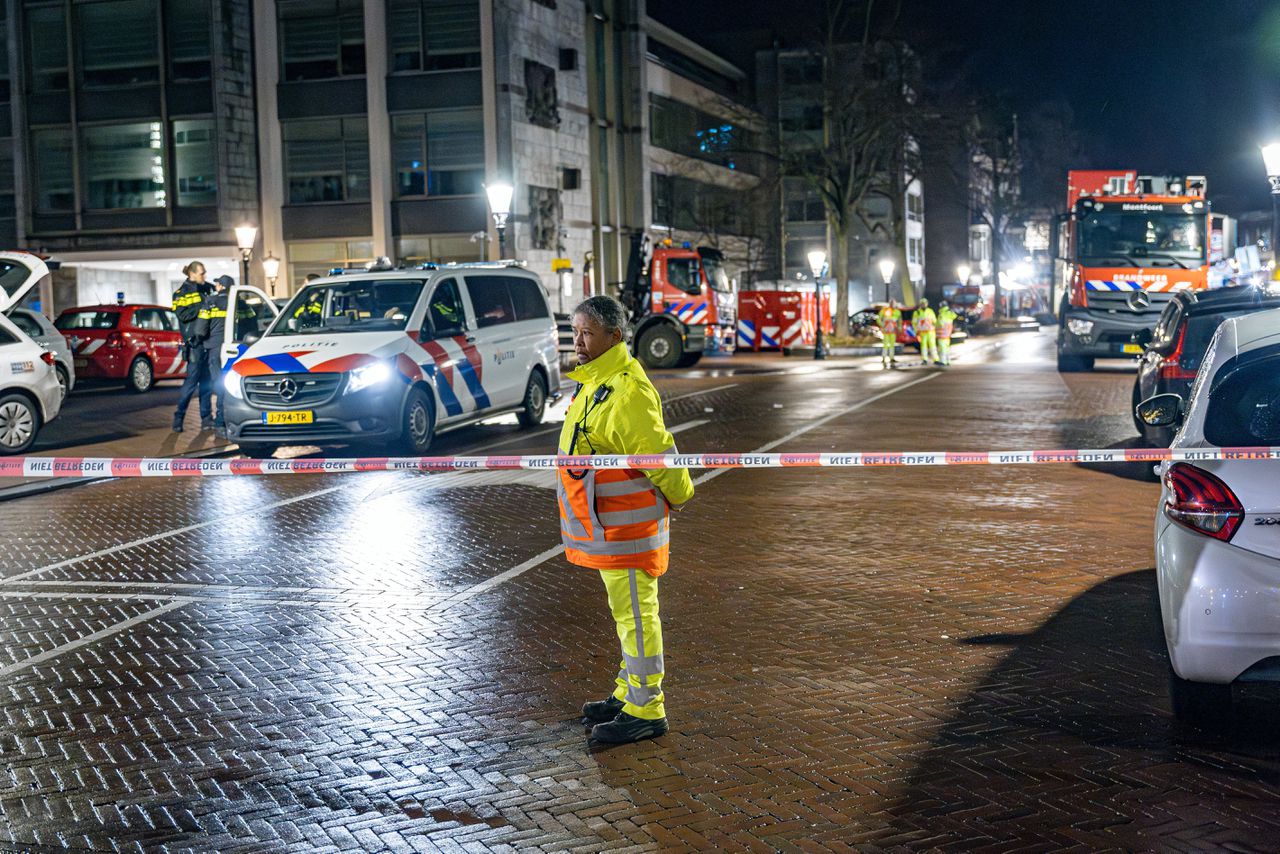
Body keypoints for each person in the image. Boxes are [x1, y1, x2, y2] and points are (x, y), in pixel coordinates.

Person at [558, 295, 694, 745]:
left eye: (586, 333)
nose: (577, 341)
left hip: (628, 529)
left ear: (614, 337)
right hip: (610, 528)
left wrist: (682, 493)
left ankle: (646, 710)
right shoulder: (597, 381)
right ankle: (628, 693)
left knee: (636, 615)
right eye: (574, 331)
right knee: (627, 615)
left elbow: (658, 456)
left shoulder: (625, 390)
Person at [171, 261, 214, 431]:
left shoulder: (207, 288)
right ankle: (179, 417)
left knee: (207, 383)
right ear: (192, 274)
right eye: (202, 273)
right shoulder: (181, 293)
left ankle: (206, 419)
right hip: (194, 343)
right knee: (191, 382)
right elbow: (182, 315)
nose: (204, 276)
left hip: (207, 342)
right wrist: (202, 306)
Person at [195, 275, 237, 431]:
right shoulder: (239, 303)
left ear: (220, 286)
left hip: (215, 349)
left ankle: (220, 420)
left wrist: (200, 339)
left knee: (219, 384)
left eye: (217, 284)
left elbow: (200, 329)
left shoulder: (210, 302)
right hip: (236, 349)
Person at [877, 300, 902, 369]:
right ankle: (884, 358)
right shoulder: (884, 310)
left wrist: (899, 329)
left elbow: (899, 321)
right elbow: (879, 319)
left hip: (893, 331)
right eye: (891, 303)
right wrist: (882, 326)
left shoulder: (897, 312)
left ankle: (891, 358)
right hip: (886, 331)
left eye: (894, 303)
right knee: (885, 344)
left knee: (892, 345)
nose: (893, 304)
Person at [914, 297, 938, 366]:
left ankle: (935, 359)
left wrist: (935, 327)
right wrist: (916, 331)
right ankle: (924, 359)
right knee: (923, 346)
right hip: (922, 333)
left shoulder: (930, 311)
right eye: (922, 304)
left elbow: (934, 321)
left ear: (927, 304)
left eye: (925, 303)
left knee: (933, 346)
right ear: (920, 304)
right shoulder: (917, 313)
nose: (923, 305)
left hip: (931, 332)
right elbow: (914, 323)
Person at [936, 300, 959, 367]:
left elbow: (940, 324)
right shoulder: (948, 313)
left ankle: (943, 361)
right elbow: (955, 315)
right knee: (946, 348)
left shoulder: (942, 314)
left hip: (941, 334)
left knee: (942, 348)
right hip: (947, 334)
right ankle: (947, 360)